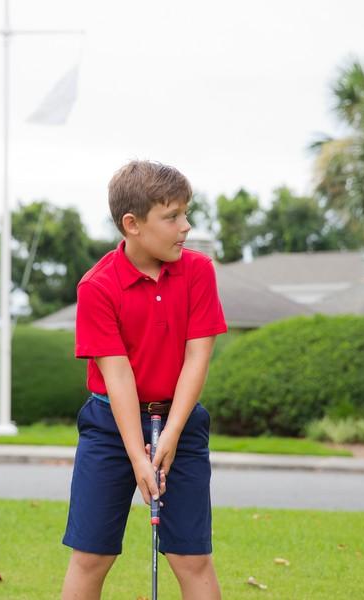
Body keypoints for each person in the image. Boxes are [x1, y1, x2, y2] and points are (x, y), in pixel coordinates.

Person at [61, 160, 227, 600]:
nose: (185, 227)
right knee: (91, 555)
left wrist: (170, 436)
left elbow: (197, 359)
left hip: (182, 422)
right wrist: (138, 455)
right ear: (131, 224)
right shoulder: (97, 286)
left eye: (186, 213)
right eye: (171, 217)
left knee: (193, 558)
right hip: (109, 427)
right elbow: (117, 375)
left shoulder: (198, 272)